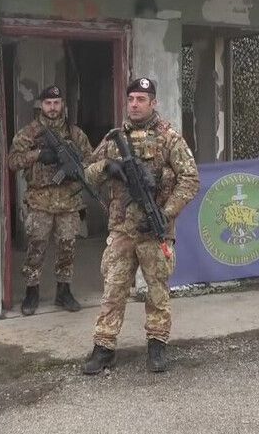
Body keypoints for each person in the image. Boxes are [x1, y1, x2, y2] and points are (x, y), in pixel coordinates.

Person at [81, 77, 199, 374]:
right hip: (122, 229)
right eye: (131, 99)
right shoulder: (114, 138)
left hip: (155, 229)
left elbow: (190, 179)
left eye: (141, 99)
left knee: (157, 291)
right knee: (113, 290)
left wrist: (165, 213)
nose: (134, 104)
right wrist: (108, 167)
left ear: (153, 103)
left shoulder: (169, 138)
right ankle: (104, 347)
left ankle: (157, 346)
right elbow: (88, 173)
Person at [7, 84, 94, 315]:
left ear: (62, 104)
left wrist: (76, 169)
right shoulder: (30, 132)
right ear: (41, 105)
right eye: (48, 103)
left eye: (56, 103)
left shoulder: (75, 134)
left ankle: (63, 292)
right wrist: (37, 155)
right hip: (39, 201)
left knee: (67, 247)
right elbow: (12, 161)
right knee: (36, 247)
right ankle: (31, 292)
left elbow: (92, 160)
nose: (53, 107)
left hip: (69, 201)